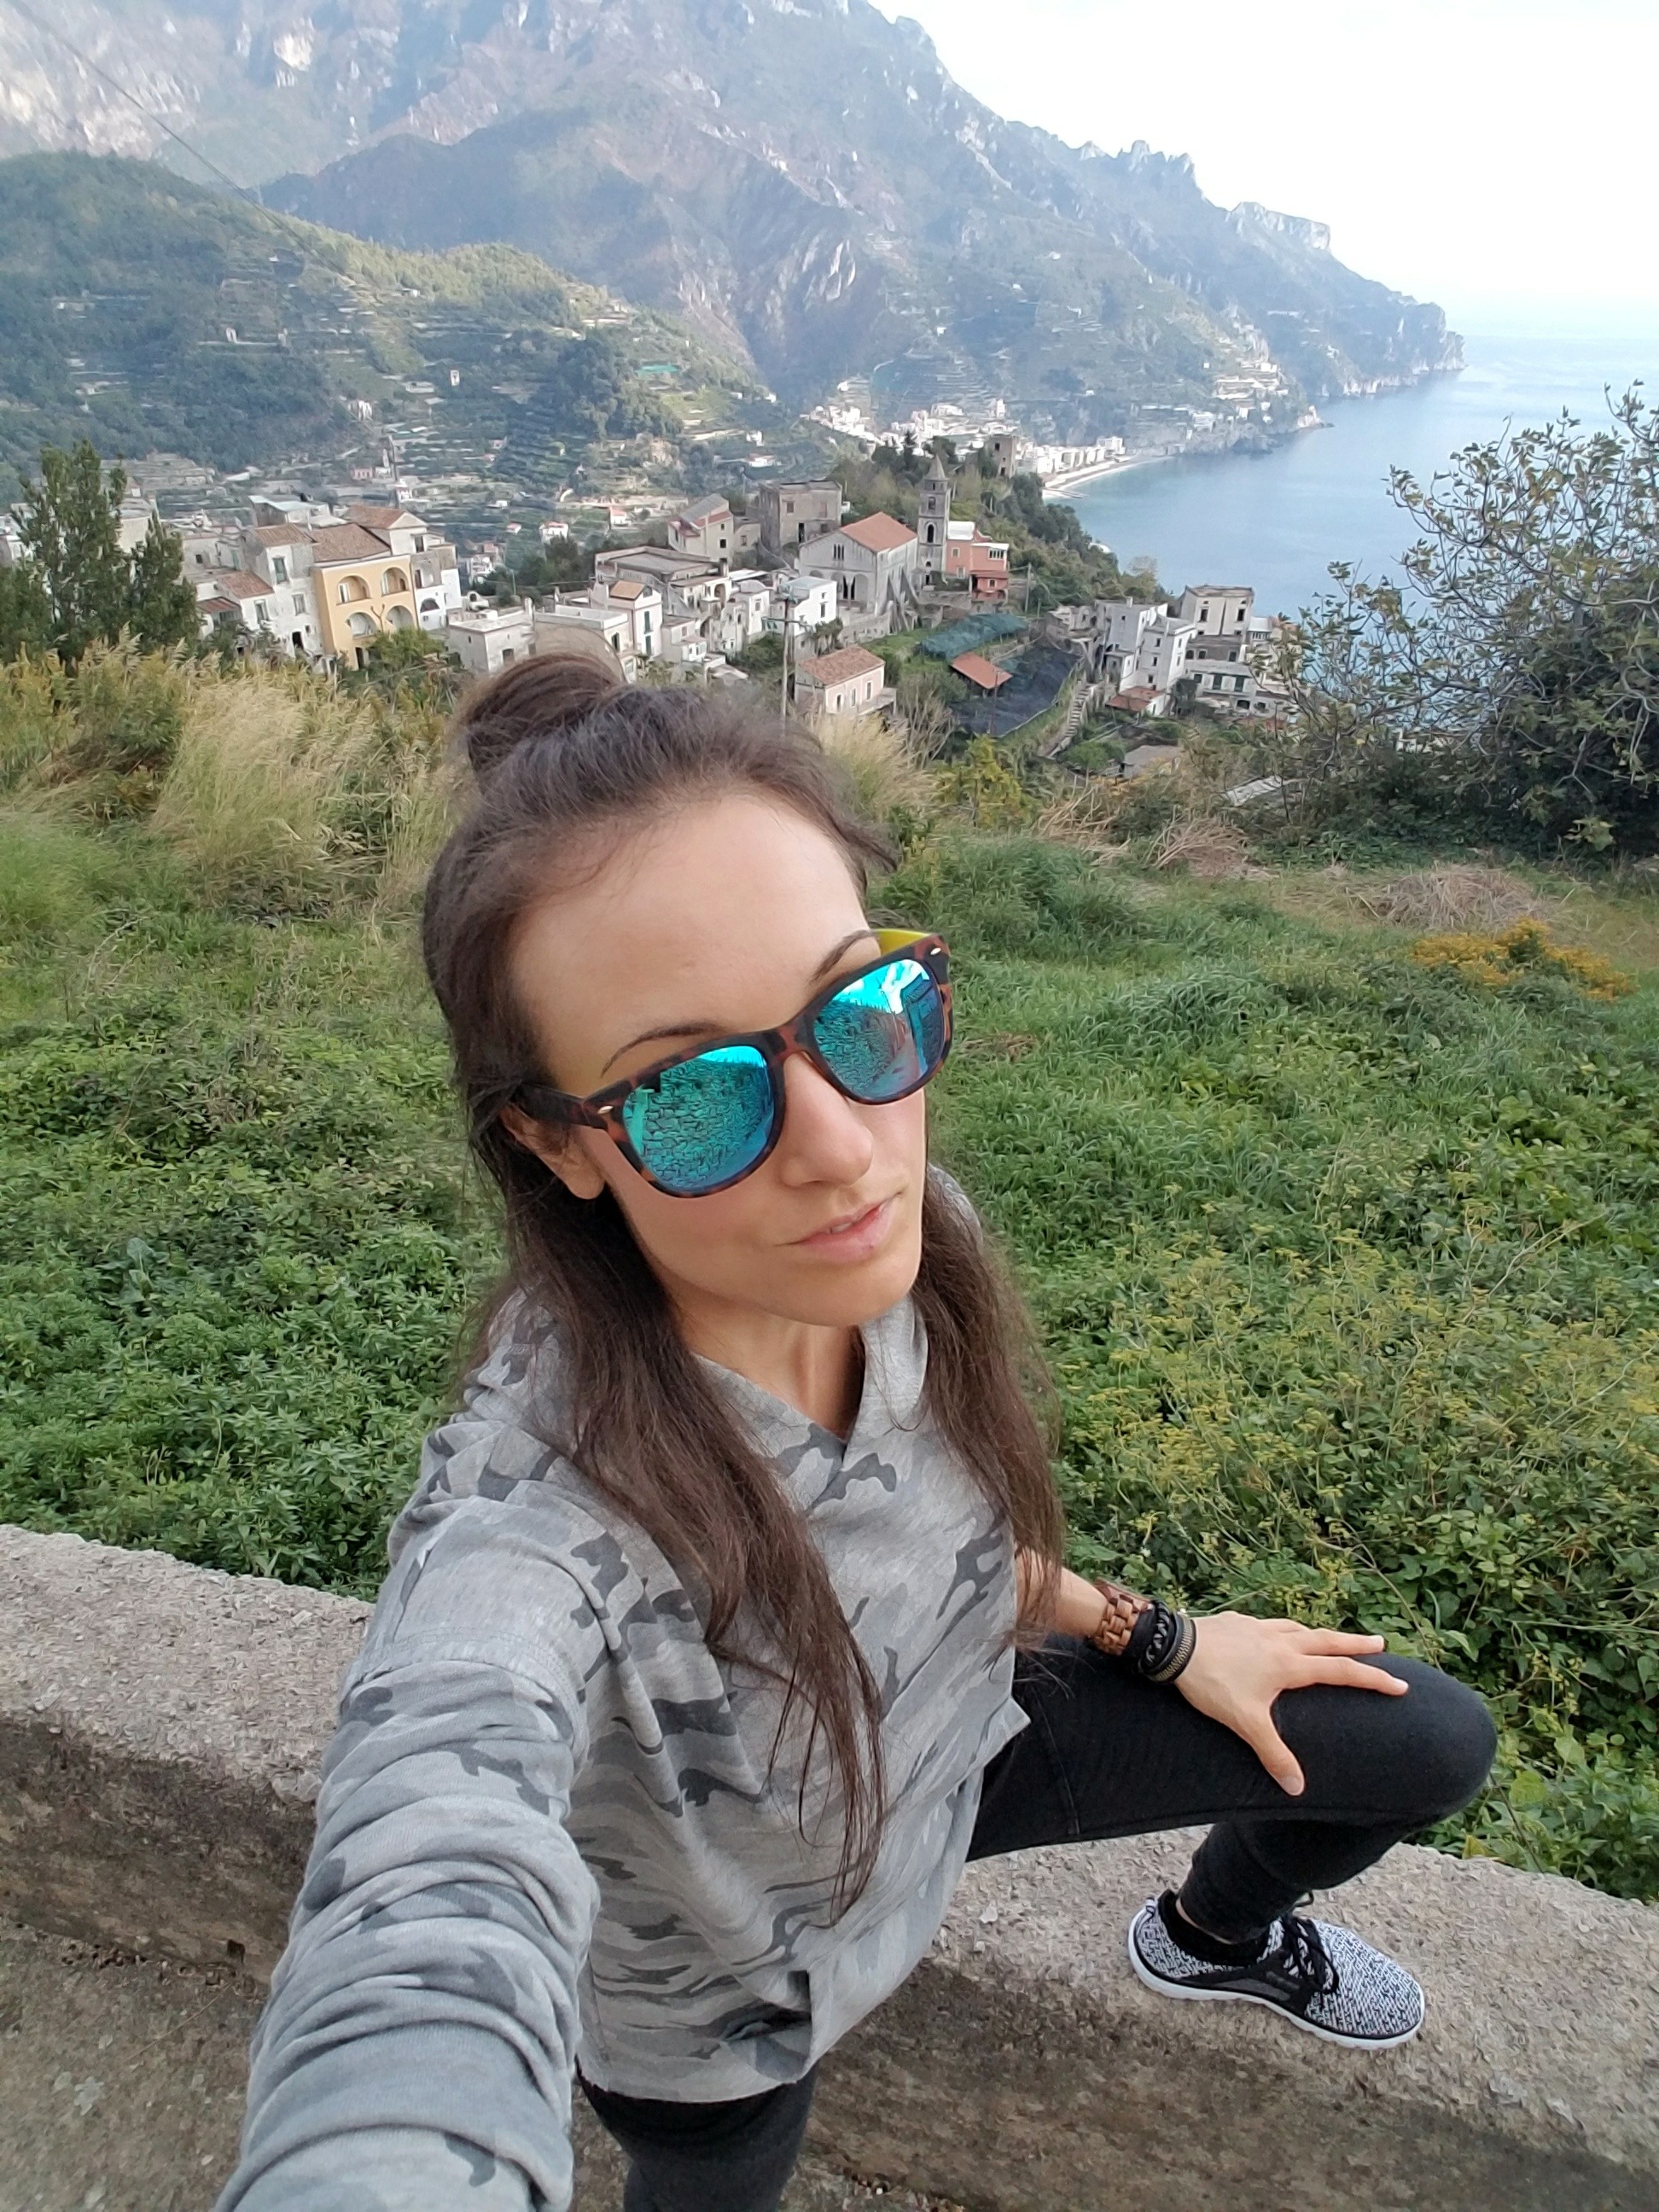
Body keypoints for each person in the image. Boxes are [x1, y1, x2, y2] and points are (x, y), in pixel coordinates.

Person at [219, 658, 1495, 2212]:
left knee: (1421, 1741)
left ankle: (1216, 1937)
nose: (844, 1151)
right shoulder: (542, 1516)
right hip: (732, 2009)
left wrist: (1153, 1635)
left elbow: (922, 1528)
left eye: (863, 1012)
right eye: (691, 1097)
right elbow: (427, 1848)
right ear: (556, 1143)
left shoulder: (900, 1248)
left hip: (955, 1764)